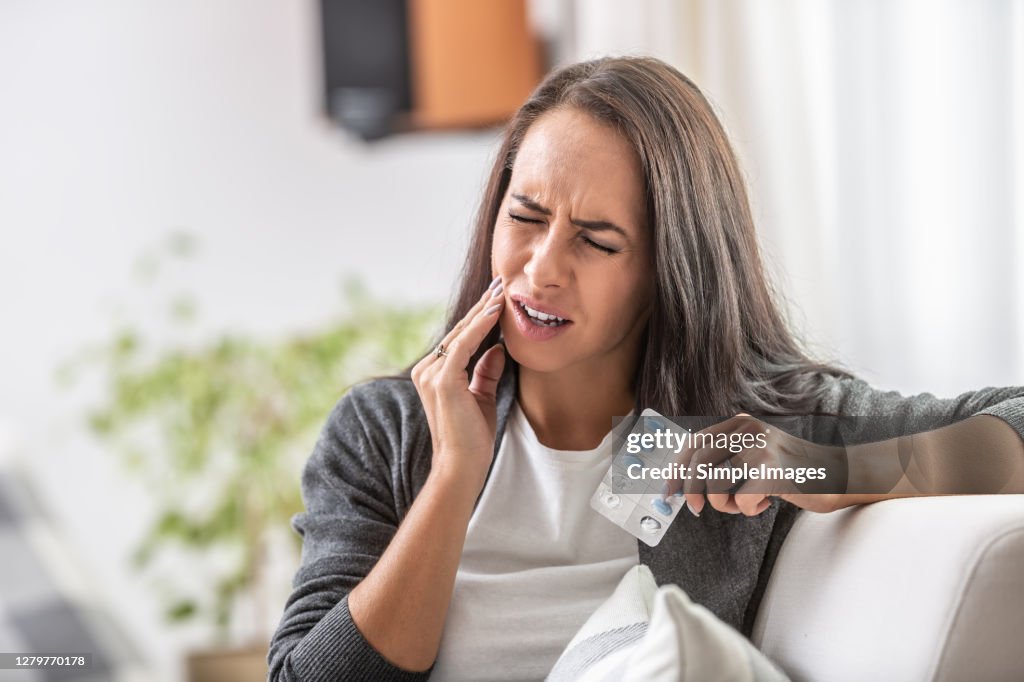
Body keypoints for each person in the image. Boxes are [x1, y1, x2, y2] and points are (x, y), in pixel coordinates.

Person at [267, 57, 1024, 681]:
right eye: (525, 216)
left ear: (671, 268)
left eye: (597, 242)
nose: (541, 268)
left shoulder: (731, 428)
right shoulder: (388, 431)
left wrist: (819, 465)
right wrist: (452, 477)